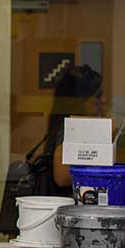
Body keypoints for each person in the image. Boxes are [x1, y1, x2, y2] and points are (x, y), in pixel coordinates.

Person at [45, 64, 105, 194]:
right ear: (80, 101)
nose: (103, 100)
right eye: (98, 95)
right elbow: (61, 177)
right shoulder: (69, 129)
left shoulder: (75, 126)